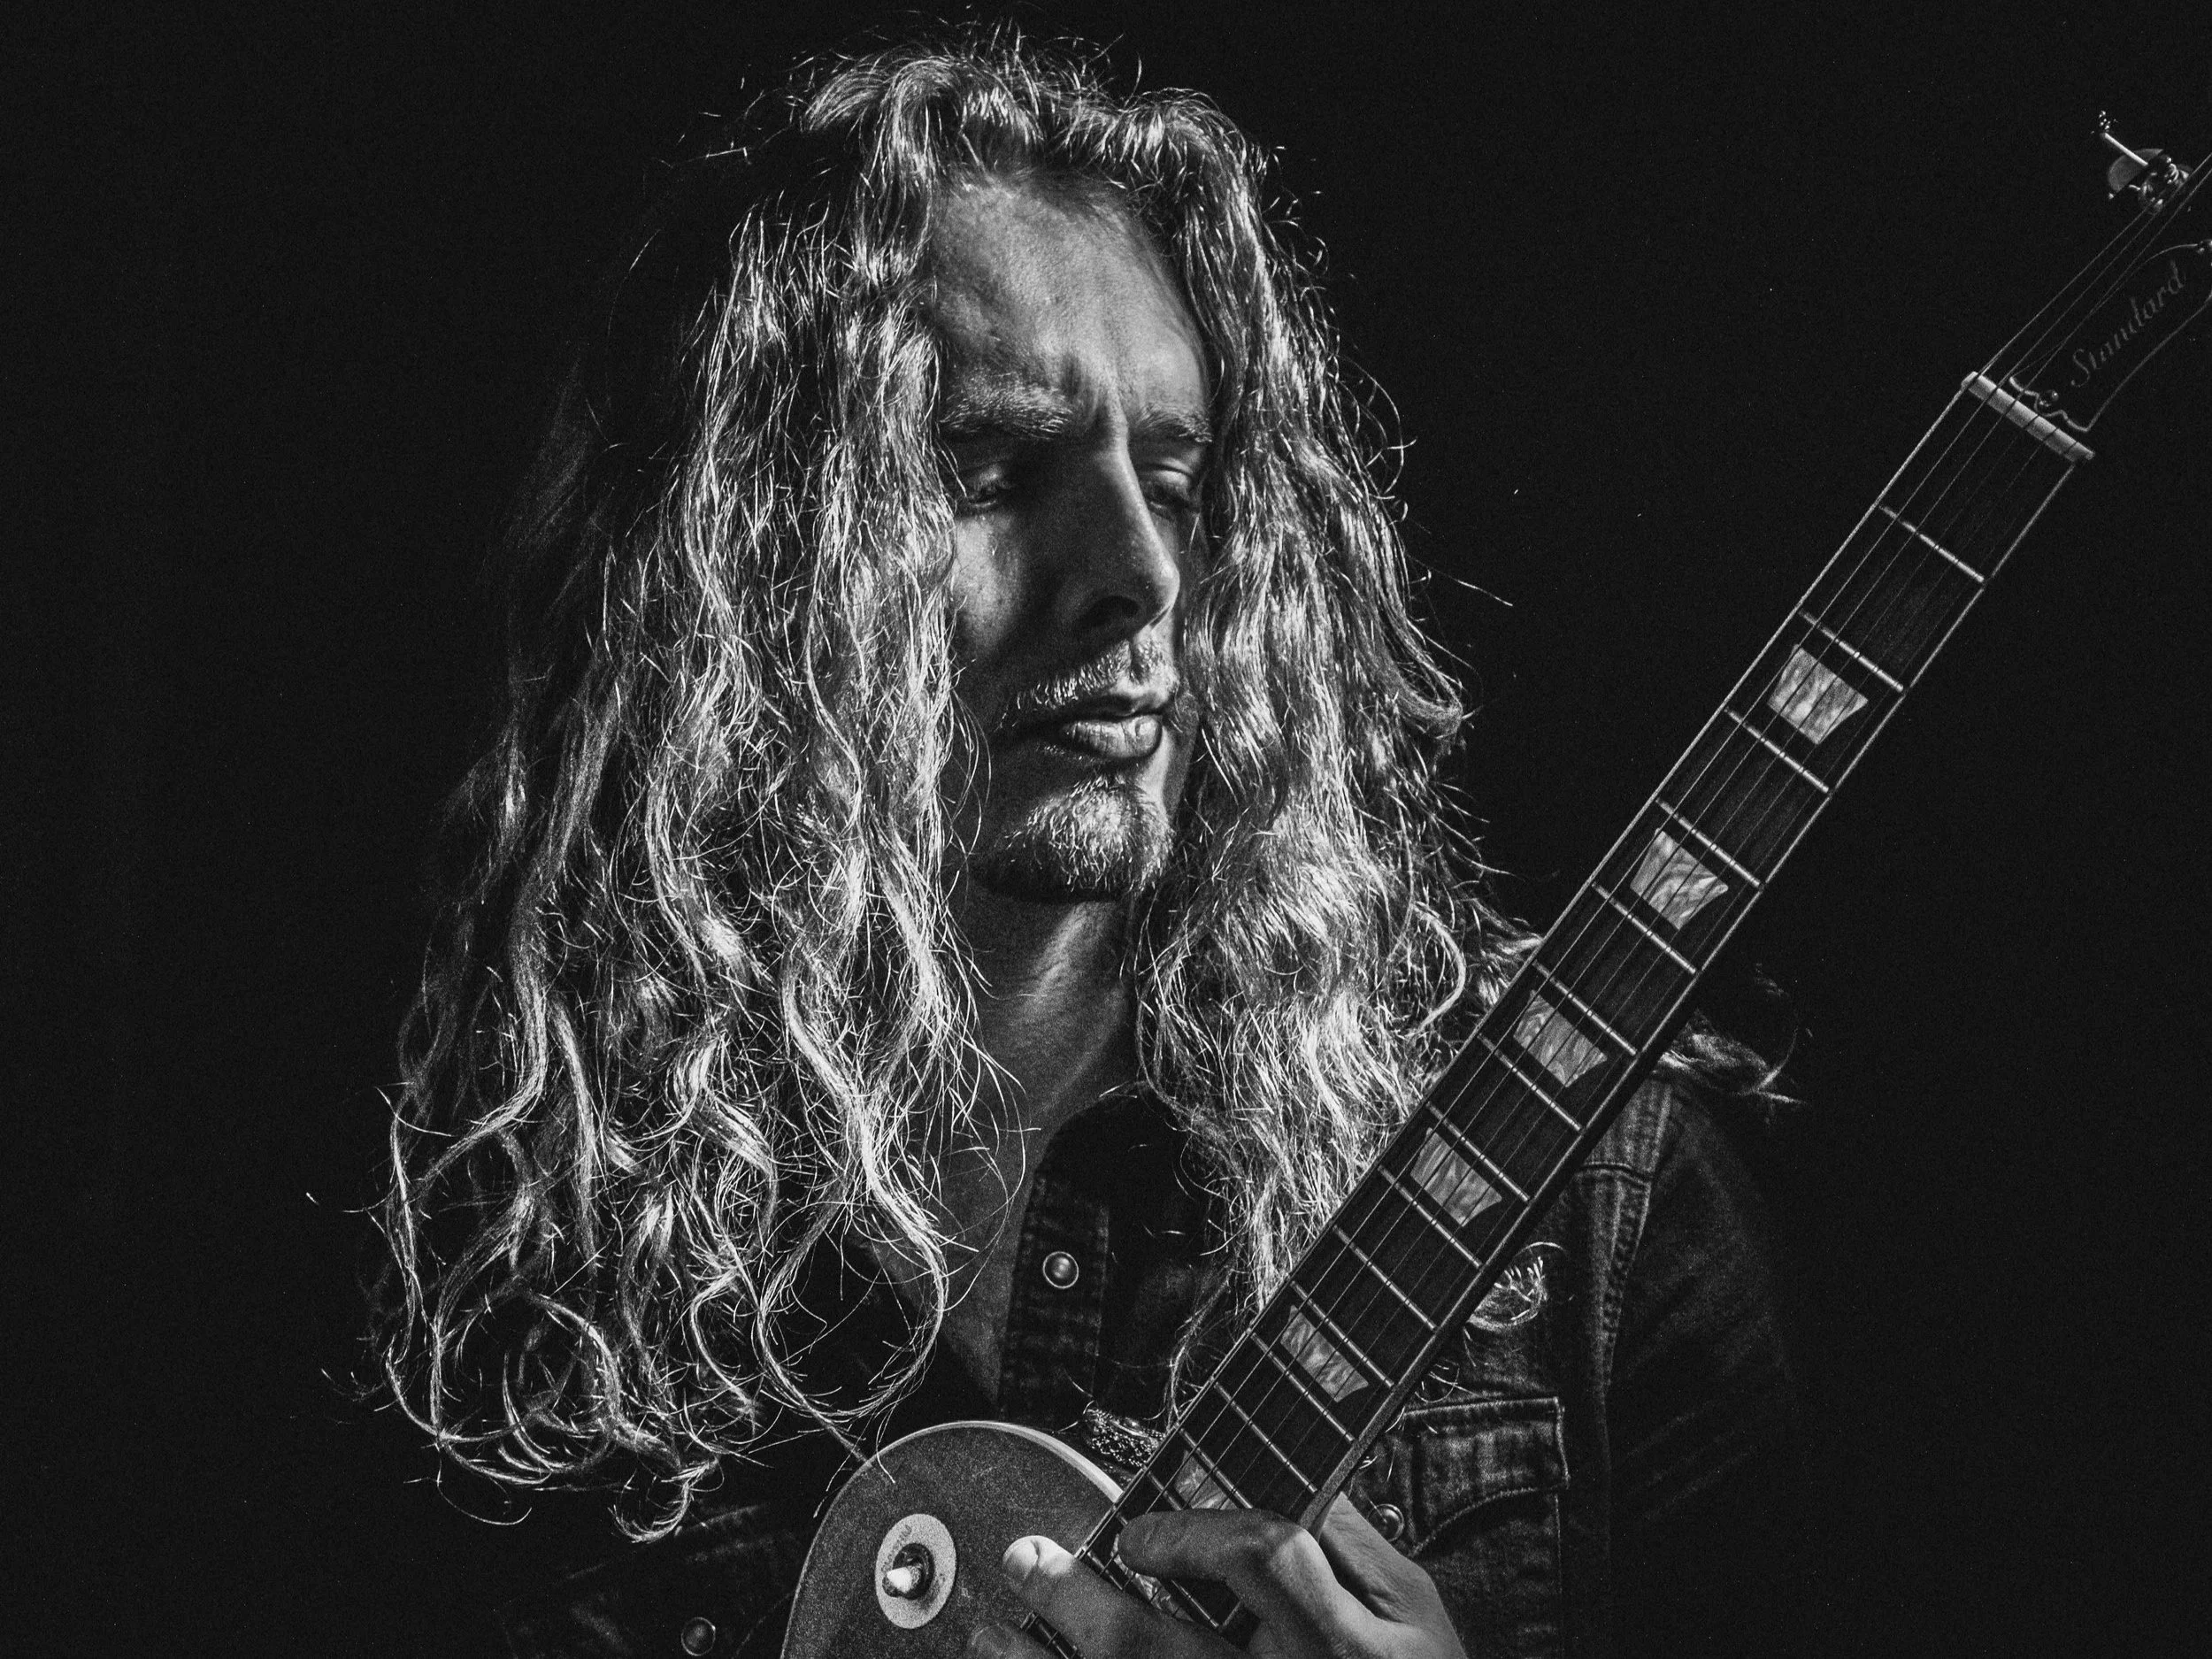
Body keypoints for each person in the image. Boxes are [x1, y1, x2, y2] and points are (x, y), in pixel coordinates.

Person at [373, 32, 1800, 1659]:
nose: (1137, 570)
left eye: (1179, 484)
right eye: (991, 473)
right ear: (743, 573)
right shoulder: (505, 1263)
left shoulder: (1583, 1197)